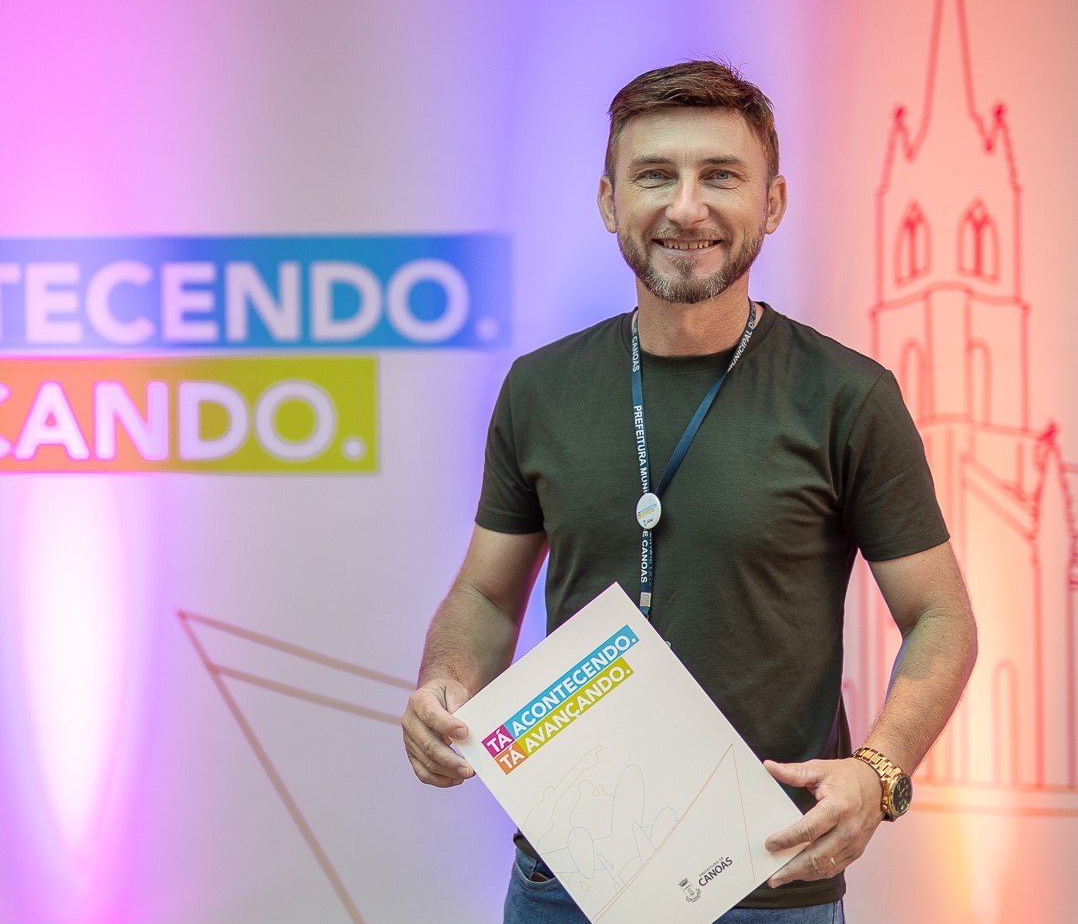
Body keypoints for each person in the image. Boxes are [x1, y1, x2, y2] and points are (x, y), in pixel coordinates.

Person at [400, 60, 977, 923]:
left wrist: (880, 771)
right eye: (655, 175)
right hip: (566, 878)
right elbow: (487, 594)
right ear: (609, 202)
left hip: (770, 882)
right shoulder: (539, 389)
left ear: (773, 204)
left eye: (721, 176)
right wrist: (445, 684)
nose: (685, 207)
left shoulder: (847, 396)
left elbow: (941, 617)